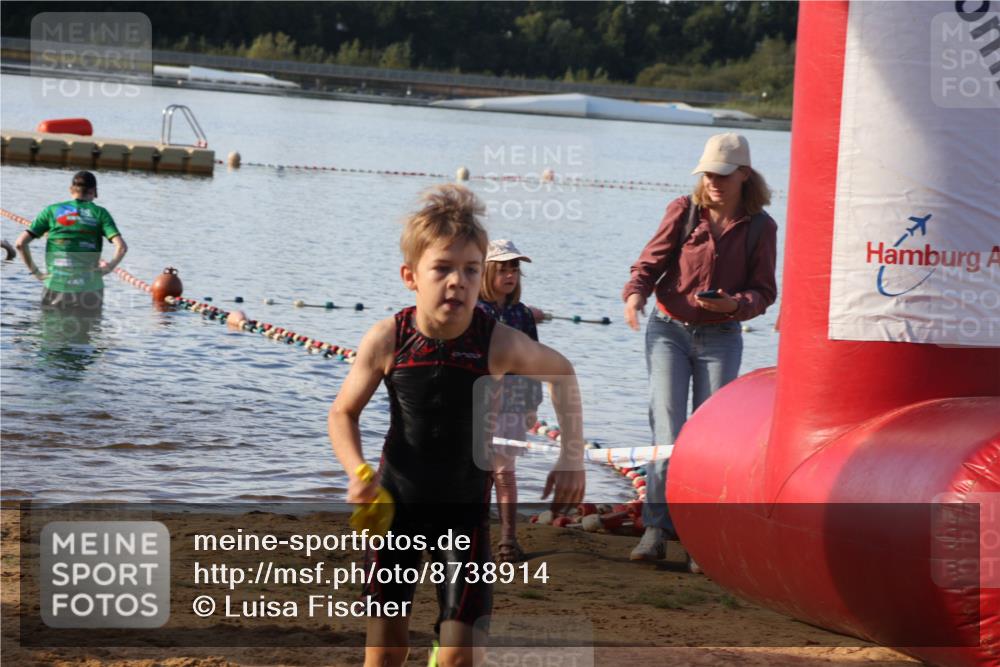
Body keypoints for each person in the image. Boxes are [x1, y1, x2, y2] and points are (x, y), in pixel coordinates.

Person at [328, 184, 586, 667]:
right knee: (384, 654)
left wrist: (572, 456)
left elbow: (562, 372)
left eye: (471, 270)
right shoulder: (389, 338)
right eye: (443, 269)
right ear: (411, 276)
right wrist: (356, 471)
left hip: (463, 516)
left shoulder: (497, 343)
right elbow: (343, 412)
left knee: (458, 659)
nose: (458, 282)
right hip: (396, 512)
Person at [621, 133, 777, 562]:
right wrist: (635, 294)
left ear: (744, 175)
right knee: (668, 432)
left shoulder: (762, 227)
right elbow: (649, 262)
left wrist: (735, 305)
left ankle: (699, 538)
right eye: (708, 173)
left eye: (723, 174)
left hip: (722, 337)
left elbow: (765, 292)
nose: (714, 182)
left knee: (711, 439)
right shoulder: (684, 211)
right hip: (668, 330)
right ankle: (655, 531)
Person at [477, 239, 546, 563]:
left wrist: (533, 402)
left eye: (514, 269)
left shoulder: (521, 315)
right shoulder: (474, 310)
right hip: (478, 401)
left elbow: (533, 360)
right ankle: (471, 538)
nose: (509, 275)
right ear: (487, 272)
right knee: (475, 472)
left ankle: (507, 539)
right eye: (502, 268)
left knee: (504, 471)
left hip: (514, 403)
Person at [15, 171, 127, 310]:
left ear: (71, 190)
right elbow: (121, 247)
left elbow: (20, 243)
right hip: (90, 290)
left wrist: (36, 272)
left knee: (50, 329)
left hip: (56, 287)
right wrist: (109, 267)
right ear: (94, 192)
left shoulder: (51, 211)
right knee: (88, 329)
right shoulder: (100, 213)